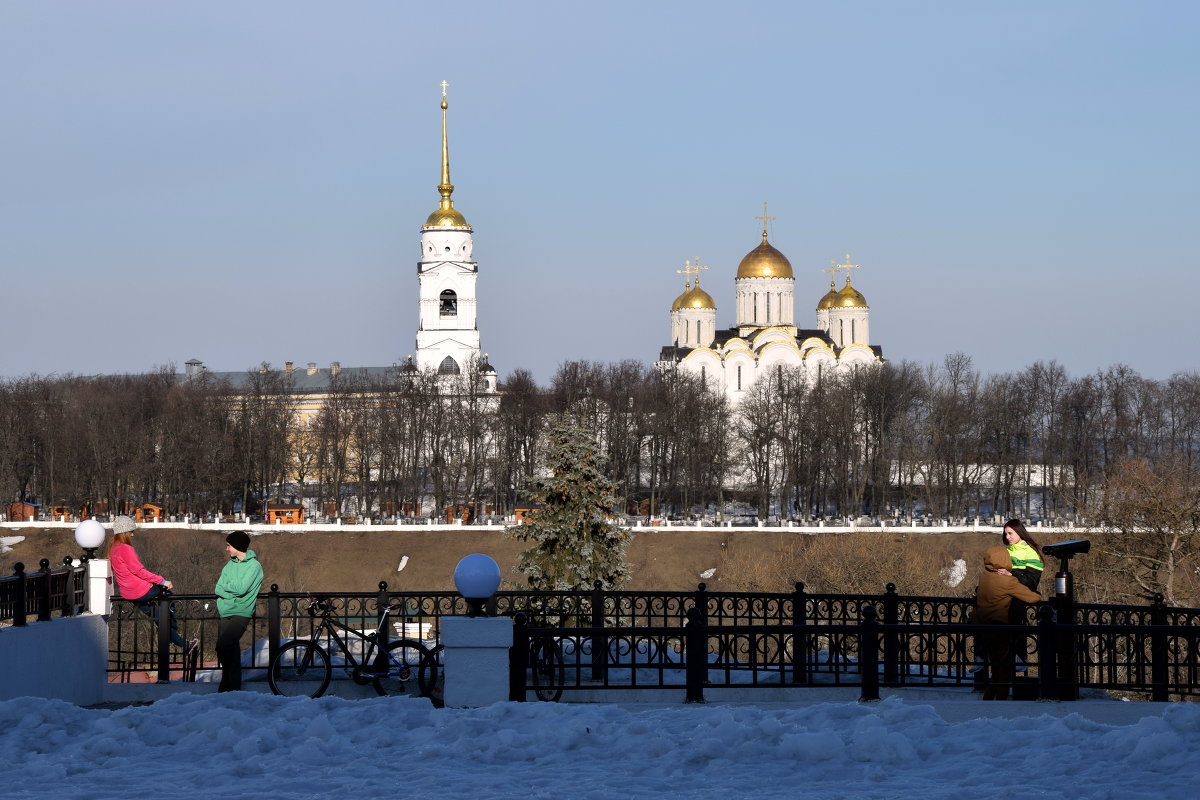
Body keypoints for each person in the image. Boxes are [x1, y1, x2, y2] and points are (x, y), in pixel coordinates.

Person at [106, 515, 192, 651]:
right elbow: (139, 571)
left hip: (128, 593)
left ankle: (184, 644)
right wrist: (162, 581)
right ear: (125, 532)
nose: (133, 535)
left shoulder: (113, 548)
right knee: (169, 596)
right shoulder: (125, 549)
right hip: (141, 591)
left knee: (159, 617)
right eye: (131, 531)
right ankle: (173, 632)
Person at [974, 545, 1042, 700]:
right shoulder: (1007, 581)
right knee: (1003, 668)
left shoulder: (984, 577)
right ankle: (999, 700)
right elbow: (1032, 598)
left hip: (983, 626)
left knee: (996, 667)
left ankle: (989, 697)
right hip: (1000, 628)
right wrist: (1037, 594)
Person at [214, 531, 264, 692]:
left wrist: (227, 589)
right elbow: (217, 588)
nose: (227, 548)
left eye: (229, 545)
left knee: (222, 645)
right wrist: (230, 590)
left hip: (242, 612)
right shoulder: (229, 565)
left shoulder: (254, 566)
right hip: (225, 611)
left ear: (237, 545)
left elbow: (242, 589)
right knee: (231, 650)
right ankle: (232, 686)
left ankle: (227, 684)